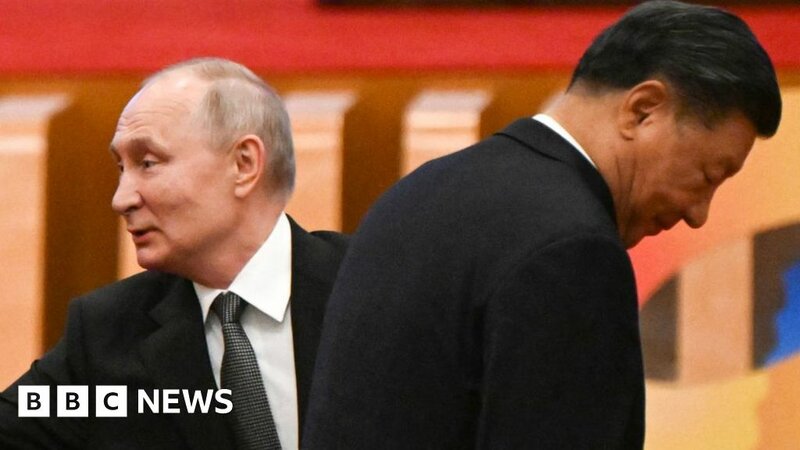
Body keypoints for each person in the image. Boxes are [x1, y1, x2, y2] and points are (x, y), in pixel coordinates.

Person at [303, 1, 782, 448]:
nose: (698, 214)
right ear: (642, 110)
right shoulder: (572, 251)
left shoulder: (422, 189)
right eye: (707, 175)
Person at [0, 58, 348, 449]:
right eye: (121, 167)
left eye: (148, 163)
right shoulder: (108, 333)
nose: (121, 199)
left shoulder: (375, 291)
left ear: (244, 164)